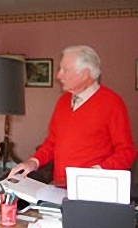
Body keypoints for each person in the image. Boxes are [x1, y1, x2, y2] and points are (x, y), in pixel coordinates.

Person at [9, 45, 137, 187]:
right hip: (60, 187)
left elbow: (126, 152)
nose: (58, 76)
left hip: (96, 188)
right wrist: (33, 162)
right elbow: (52, 142)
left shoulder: (113, 103)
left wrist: (95, 172)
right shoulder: (63, 102)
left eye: (65, 70)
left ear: (85, 73)